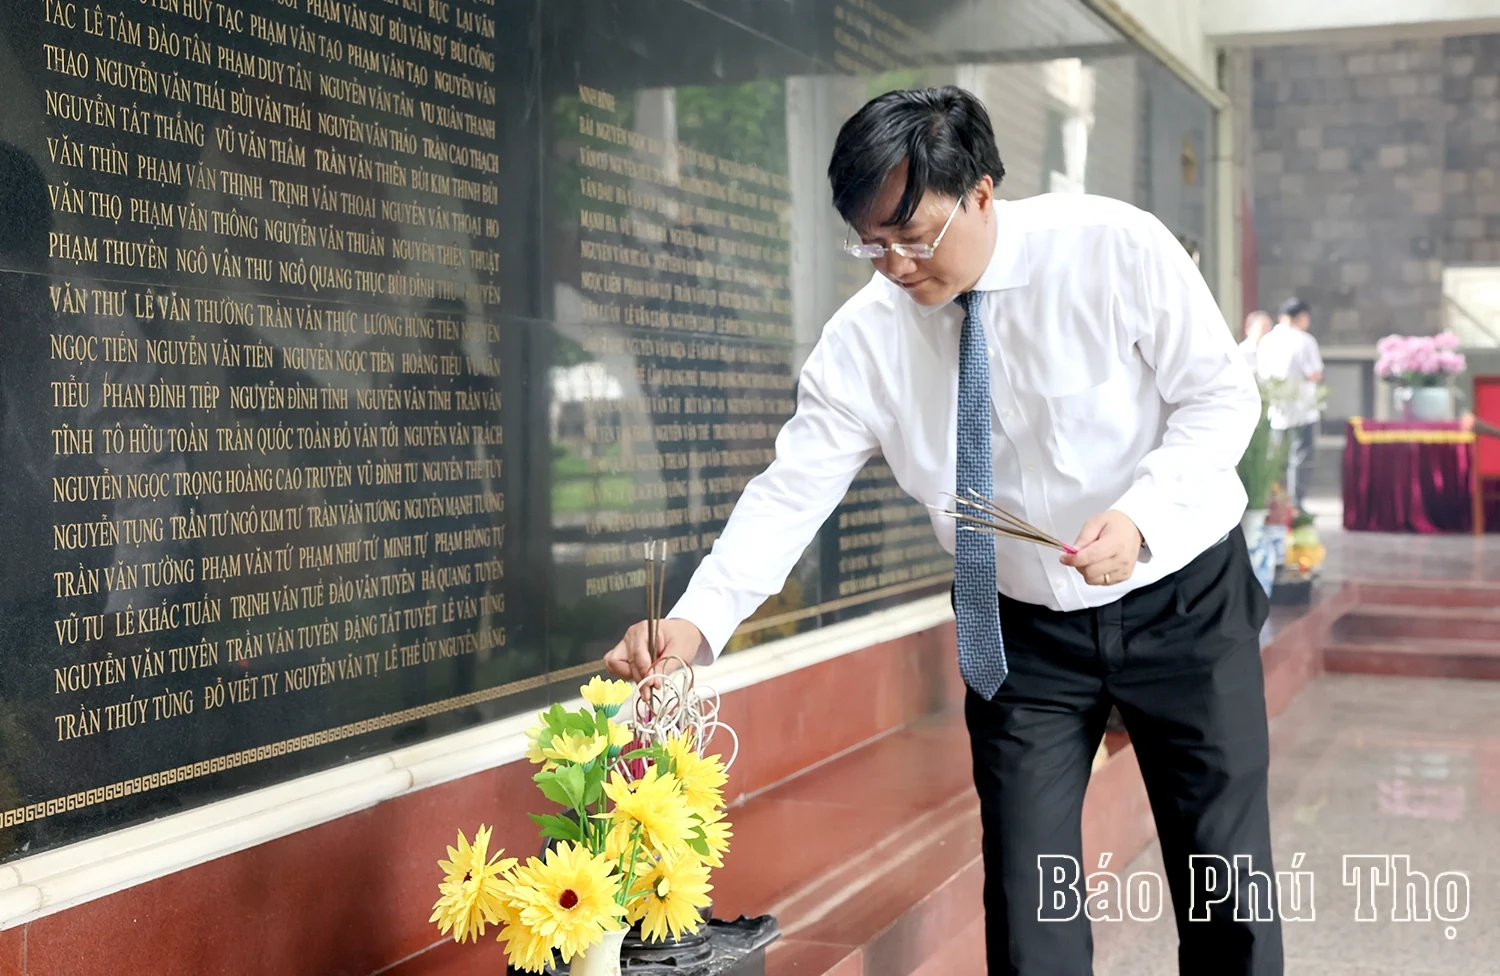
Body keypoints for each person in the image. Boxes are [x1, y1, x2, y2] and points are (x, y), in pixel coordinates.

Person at [604, 87, 1281, 975]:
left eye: (913, 235)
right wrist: (695, 626)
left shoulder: (1116, 248)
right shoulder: (863, 343)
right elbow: (788, 494)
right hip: (1022, 637)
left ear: (983, 194)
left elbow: (1220, 397)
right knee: (1028, 905)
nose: (893, 266)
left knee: (1223, 879)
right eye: (870, 243)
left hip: (1183, 598)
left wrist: (1144, 516)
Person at [1255, 298, 1324, 512]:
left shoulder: (1267, 340)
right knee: (1301, 457)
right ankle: (1295, 504)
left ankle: (1275, 504)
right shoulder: (1304, 340)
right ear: (1301, 317)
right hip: (1302, 409)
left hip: (1276, 409)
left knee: (1277, 460)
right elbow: (1314, 374)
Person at [1239, 308, 1272, 373]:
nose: (1268, 332)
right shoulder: (1241, 353)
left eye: (1269, 328)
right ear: (1248, 329)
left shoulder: (1272, 351)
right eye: (1264, 328)